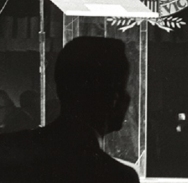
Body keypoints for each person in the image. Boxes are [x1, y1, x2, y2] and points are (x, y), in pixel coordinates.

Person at [0, 36, 139, 183]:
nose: (128, 98)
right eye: (124, 88)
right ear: (114, 98)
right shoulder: (116, 177)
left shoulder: (8, 149)